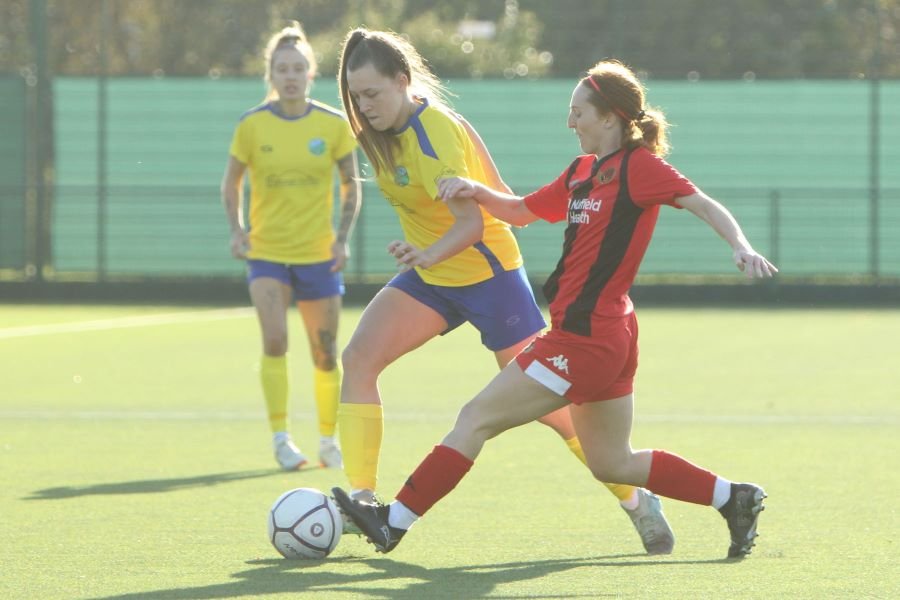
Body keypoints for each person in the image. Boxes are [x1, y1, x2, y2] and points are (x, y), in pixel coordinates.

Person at [332, 59, 776, 559]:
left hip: (585, 340)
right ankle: (733, 497)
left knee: (475, 418)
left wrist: (740, 245)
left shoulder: (640, 168)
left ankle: (393, 522)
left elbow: (703, 203)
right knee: (612, 461)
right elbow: (521, 211)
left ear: (609, 117)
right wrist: (474, 191)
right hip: (604, 334)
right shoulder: (582, 172)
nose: (571, 122)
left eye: (577, 112)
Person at [220, 22, 361, 470]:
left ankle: (327, 440)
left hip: (318, 255)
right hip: (266, 255)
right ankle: (281, 438)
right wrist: (237, 230)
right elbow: (231, 184)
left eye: (298, 67)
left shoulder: (333, 125)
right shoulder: (251, 125)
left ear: (310, 72)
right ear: (271, 74)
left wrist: (342, 241)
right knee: (276, 341)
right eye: (282, 68)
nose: (290, 76)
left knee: (325, 352)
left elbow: (351, 186)